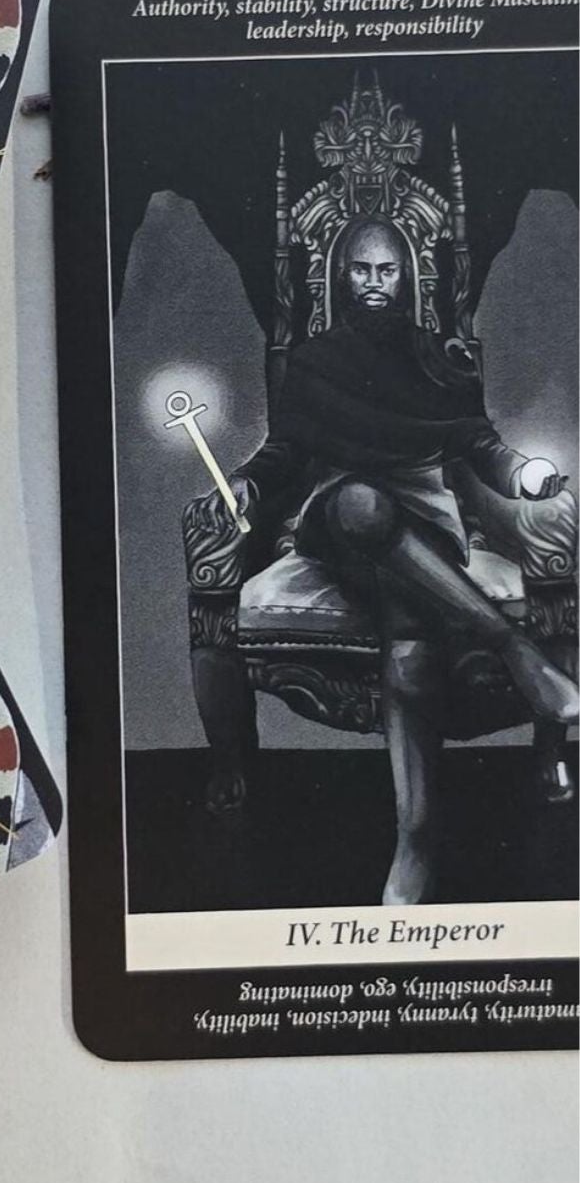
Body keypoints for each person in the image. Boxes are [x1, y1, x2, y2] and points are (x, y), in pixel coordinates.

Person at [203, 217, 578, 904]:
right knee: (362, 504)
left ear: (407, 276)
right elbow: (285, 449)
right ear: (341, 275)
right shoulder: (313, 360)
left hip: (425, 521)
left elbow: (478, 443)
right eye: (360, 269)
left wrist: (523, 473)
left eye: (386, 270)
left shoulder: (440, 358)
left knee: (411, 645)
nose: (373, 283)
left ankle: (416, 841)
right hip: (337, 517)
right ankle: (515, 648)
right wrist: (248, 484)